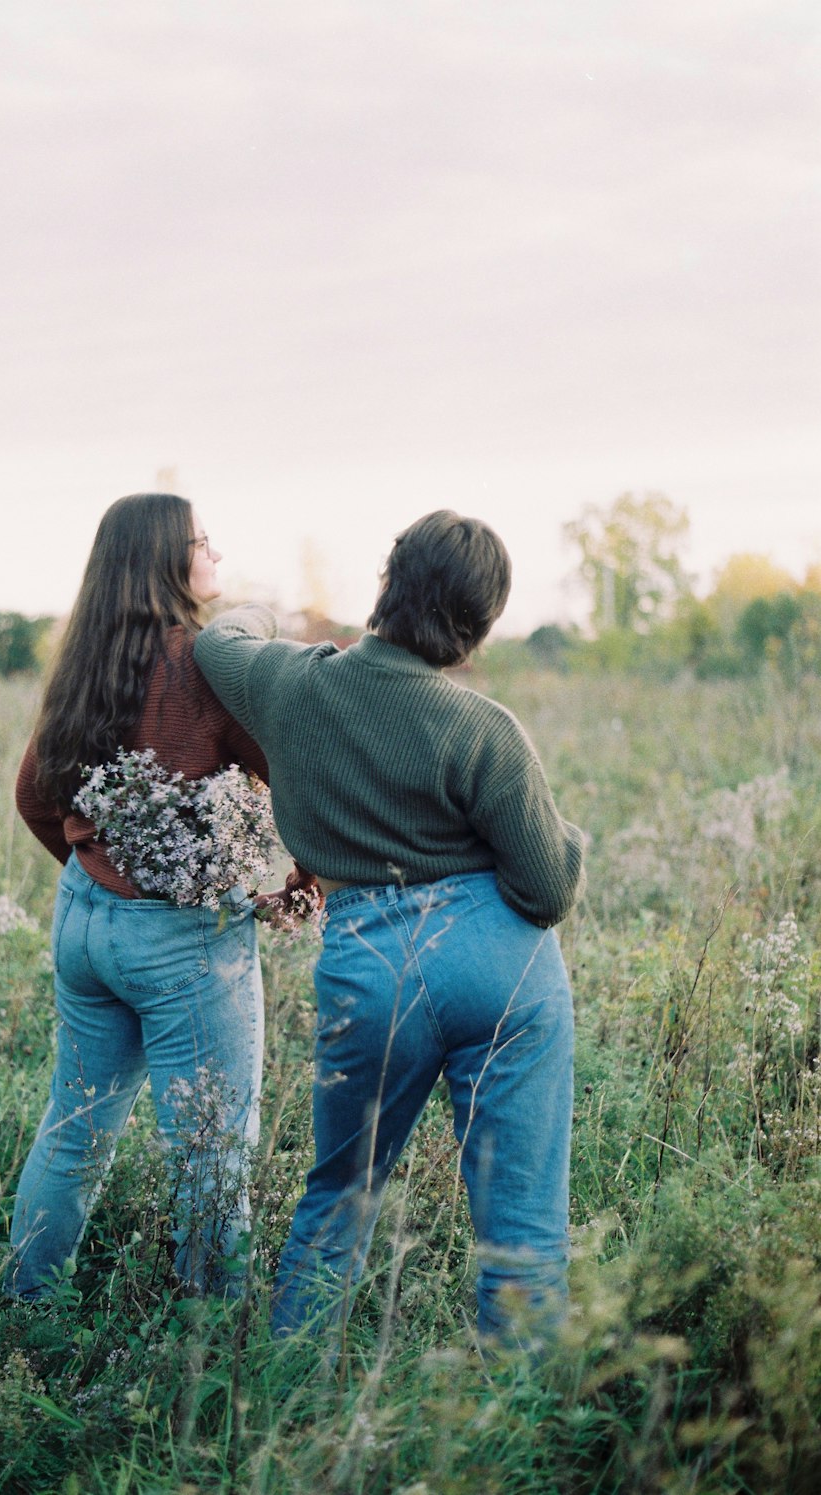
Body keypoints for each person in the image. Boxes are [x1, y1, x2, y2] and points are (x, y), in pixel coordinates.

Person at [194, 509, 586, 1347]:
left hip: (368, 960)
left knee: (339, 1197)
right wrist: (571, 840)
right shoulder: (486, 728)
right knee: (522, 1231)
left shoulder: (291, 684)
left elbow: (215, 641)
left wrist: (266, 619)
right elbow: (547, 887)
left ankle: (290, 1394)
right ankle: (523, 1430)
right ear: (479, 624)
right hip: (503, 965)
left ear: (388, 580)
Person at [8, 492, 288, 1301]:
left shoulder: (85, 661)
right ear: (170, 558)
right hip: (182, 940)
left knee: (71, 1135)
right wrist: (298, 875)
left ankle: (28, 1311)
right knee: (211, 1149)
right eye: (204, 540)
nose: (218, 555)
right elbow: (288, 774)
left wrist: (100, 871)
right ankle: (208, 1344)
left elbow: (34, 796)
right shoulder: (208, 665)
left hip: (82, 921)